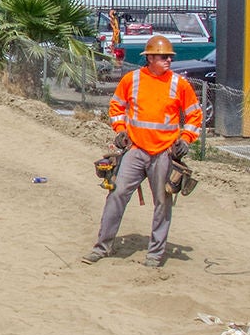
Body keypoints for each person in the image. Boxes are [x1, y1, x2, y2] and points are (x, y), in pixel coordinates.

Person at [84, 36, 202, 267]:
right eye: (163, 56)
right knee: (116, 194)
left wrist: (186, 139)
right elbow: (117, 106)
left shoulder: (179, 84)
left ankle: (155, 255)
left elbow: (194, 114)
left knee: (162, 202)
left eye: (170, 57)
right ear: (149, 58)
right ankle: (102, 247)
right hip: (136, 150)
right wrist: (119, 130)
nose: (168, 60)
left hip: (165, 153)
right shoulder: (132, 80)